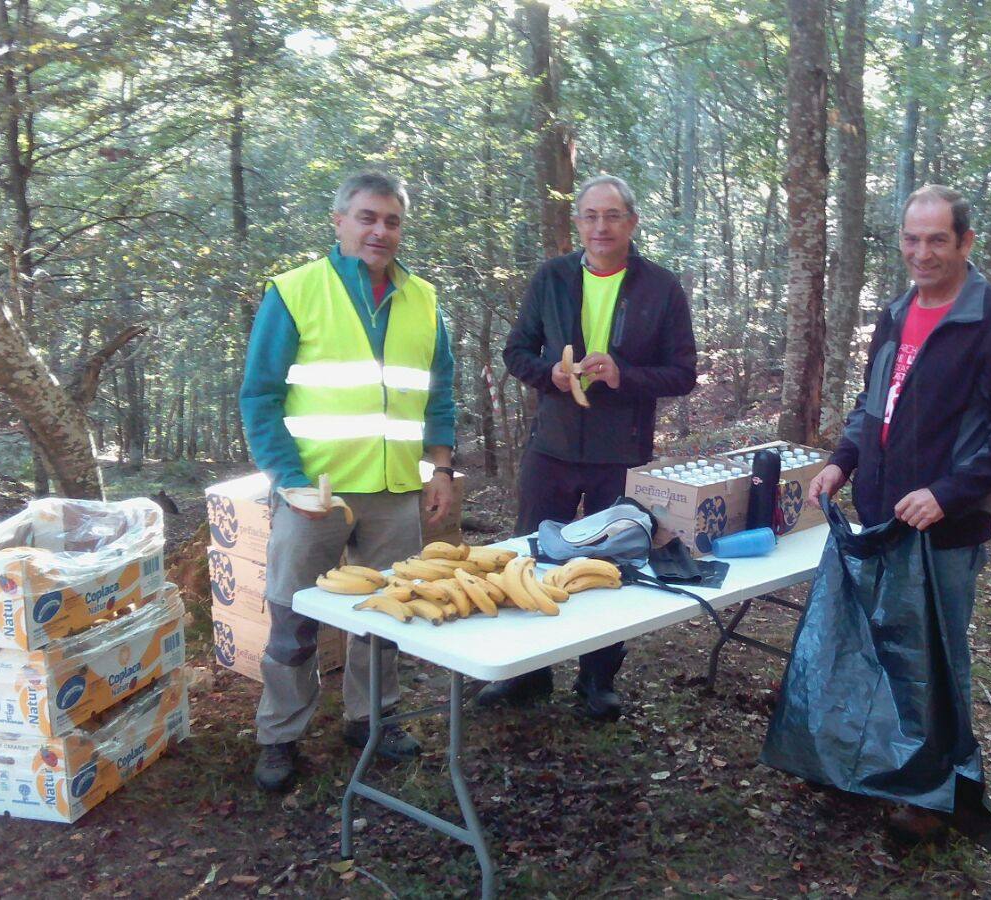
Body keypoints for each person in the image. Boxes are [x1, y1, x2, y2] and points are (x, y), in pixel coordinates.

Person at [807, 184, 991, 845]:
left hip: (945, 532)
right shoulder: (894, 313)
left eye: (937, 239)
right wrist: (841, 461)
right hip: (881, 521)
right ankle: (878, 769)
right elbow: (871, 405)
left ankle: (935, 802)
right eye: (911, 239)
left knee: (933, 664)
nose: (922, 252)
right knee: (879, 652)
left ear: (966, 242)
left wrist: (949, 492)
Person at [240, 171, 457, 791]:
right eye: (366, 217)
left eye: (390, 220)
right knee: (292, 616)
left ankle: (372, 719)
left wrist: (440, 469)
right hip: (315, 491)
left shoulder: (425, 299)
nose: (379, 230)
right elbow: (259, 395)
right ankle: (280, 735)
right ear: (339, 222)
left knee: (386, 616)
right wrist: (287, 478)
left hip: (395, 490)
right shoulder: (296, 291)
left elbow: (439, 394)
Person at [487, 174, 698, 719]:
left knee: (612, 565)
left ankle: (597, 681)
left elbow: (682, 374)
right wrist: (550, 375)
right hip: (552, 446)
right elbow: (515, 352)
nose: (600, 227)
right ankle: (526, 675)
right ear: (577, 222)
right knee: (530, 555)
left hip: (621, 453)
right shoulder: (552, 278)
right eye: (590, 216)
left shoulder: (660, 286)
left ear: (631, 221)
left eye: (612, 216)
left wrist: (622, 374)